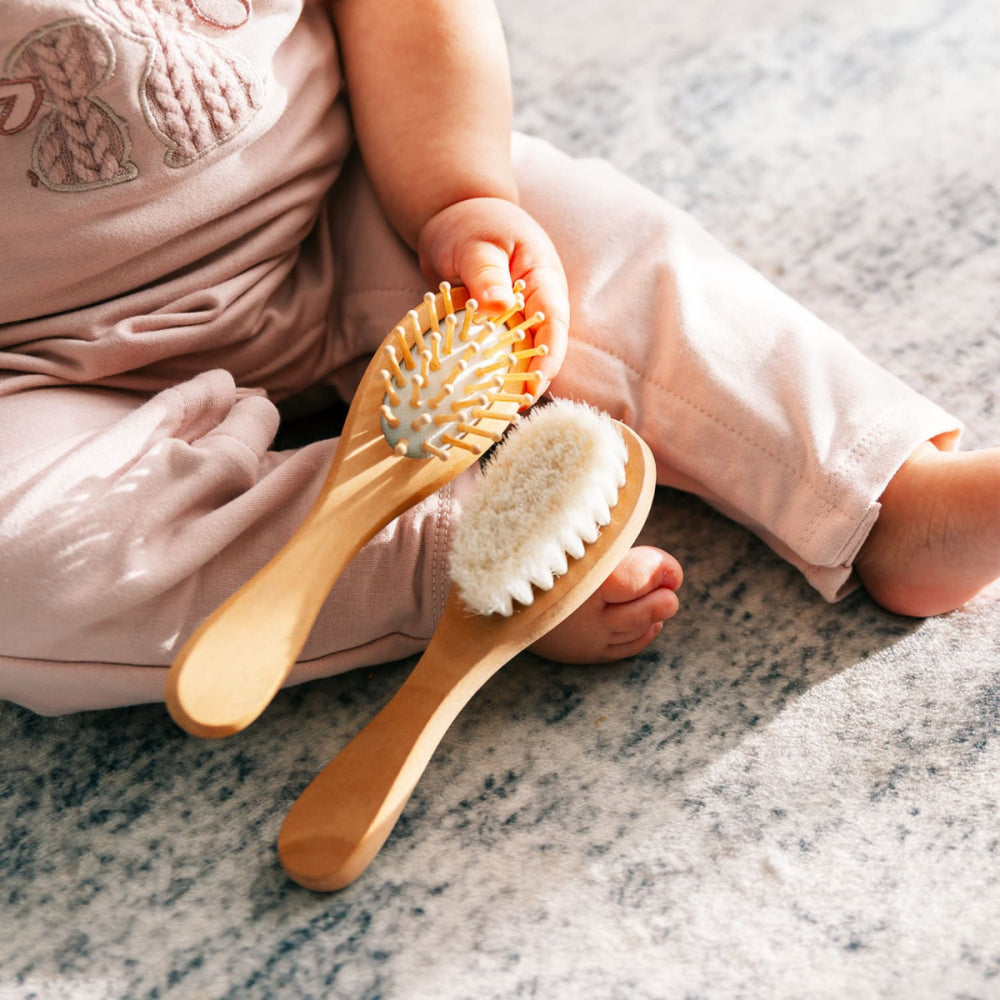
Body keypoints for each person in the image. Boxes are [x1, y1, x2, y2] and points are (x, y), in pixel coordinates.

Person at [1, 0, 997, 715]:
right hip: (47, 367)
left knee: (600, 250)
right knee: (29, 573)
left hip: (346, 198)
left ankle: (884, 490)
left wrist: (457, 192)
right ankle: (472, 566)